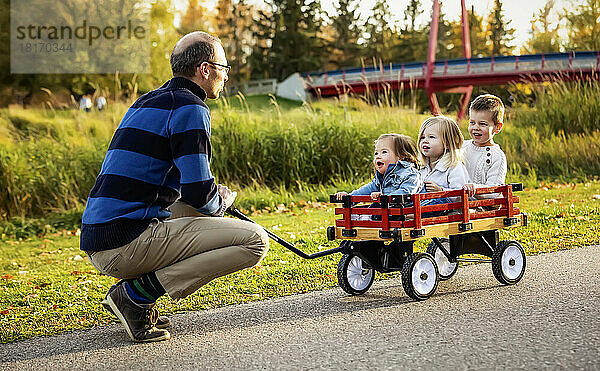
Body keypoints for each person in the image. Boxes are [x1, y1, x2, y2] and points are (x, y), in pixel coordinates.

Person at [80, 31, 269, 343]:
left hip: (101, 235)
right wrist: (219, 201)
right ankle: (135, 295)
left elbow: (182, 185)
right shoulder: (191, 108)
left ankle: (138, 295)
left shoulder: (149, 101)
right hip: (122, 243)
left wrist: (208, 197)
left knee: (200, 209)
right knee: (255, 242)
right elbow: (198, 192)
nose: (225, 75)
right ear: (204, 69)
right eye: (223, 67)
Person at [334, 133, 423, 219]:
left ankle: (366, 218)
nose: (378, 156)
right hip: (390, 210)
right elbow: (367, 189)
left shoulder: (410, 174)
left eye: (384, 152)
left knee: (378, 208)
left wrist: (385, 196)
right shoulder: (381, 176)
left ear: (401, 157)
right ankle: (364, 217)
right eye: (376, 153)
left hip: (407, 212)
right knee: (375, 207)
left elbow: (406, 191)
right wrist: (349, 197)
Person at [418, 116, 470, 215]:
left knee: (436, 203)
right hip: (423, 202)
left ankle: (413, 215)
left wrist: (441, 190)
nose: (425, 140)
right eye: (423, 137)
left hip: (447, 207)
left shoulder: (454, 166)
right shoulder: (421, 167)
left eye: (431, 137)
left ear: (447, 143)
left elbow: (460, 195)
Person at [462, 94, 507, 197]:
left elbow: (494, 191)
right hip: (458, 201)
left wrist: (474, 188)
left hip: (483, 207)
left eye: (482, 124)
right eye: (472, 122)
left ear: (497, 127)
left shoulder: (496, 156)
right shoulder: (462, 147)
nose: (476, 127)